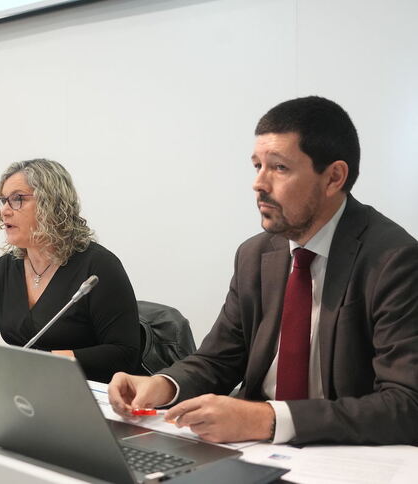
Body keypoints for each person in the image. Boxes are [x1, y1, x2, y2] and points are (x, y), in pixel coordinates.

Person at [108, 96, 418, 446]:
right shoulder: (255, 254)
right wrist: (162, 385)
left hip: (339, 454)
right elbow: (218, 360)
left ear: (333, 177)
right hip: (255, 452)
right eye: (257, 166)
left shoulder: (394, 259)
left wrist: (268, 419)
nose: (259, 183)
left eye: (279, 168)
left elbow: (407, 404)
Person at [0, 159, 141, 383]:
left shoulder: (98, 267)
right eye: (3, 200)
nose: (4, 211)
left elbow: (124, 353)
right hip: (26, 390)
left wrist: (46, 361)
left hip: (86, 393)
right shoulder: (6, 267)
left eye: (17, 199)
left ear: (51, 203)